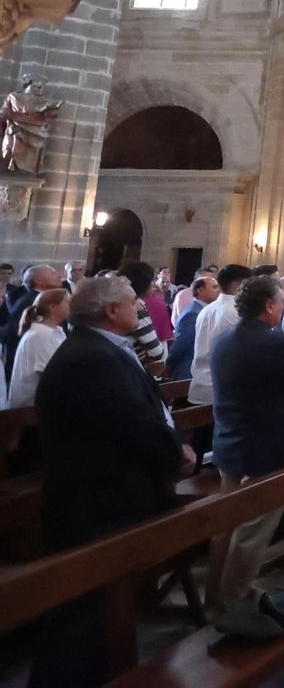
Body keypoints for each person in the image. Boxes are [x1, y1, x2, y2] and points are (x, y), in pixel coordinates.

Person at [29, 275, 195, 688]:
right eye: (132, 302)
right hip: (97, 506)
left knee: (100, 619)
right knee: (80, 621)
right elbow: (131, 424)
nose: (140, 307)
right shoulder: (91, 359)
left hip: (108, 500)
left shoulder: (102, 350)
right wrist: (174, 454)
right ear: (111, 311)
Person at [206, 276, 284, 621]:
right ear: (269, 306)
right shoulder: (276, 344)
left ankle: (212, 599)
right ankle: (234, 604)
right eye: (281, 301)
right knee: (252, 532)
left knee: (227, 525)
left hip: (230, 442)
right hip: (267, 446)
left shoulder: (225, 338)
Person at [189, 263, 252, 405]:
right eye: (248, 285)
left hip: (200, 384)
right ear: (235, 285)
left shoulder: (206, 309)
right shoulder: (237, 312)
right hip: (222, 389)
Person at [5, 286, 67, 408]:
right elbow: (53, 373)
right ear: (53, 307)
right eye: (68, 302)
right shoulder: (40, 334)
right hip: (30, 409)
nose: (73, 305)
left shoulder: (57, 330)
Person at [3, 263, 61, 384]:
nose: (59, 276)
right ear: (37, 279)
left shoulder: (38, 298)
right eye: (53, 274)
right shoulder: (32, 301)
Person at [117, 261, 169, 374]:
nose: (154, 284)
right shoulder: (136, 309)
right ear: (143, 284)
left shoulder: (121, 304)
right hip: (130, 369)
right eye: (152, 280)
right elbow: (157, 352)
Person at [168, 274, 218, 381]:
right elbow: (180, 345)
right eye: (214, 287)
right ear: (201, 291)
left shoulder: (203, 310)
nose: (218, 291)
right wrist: (168, 366)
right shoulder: (193, 313)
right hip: (187, 370)